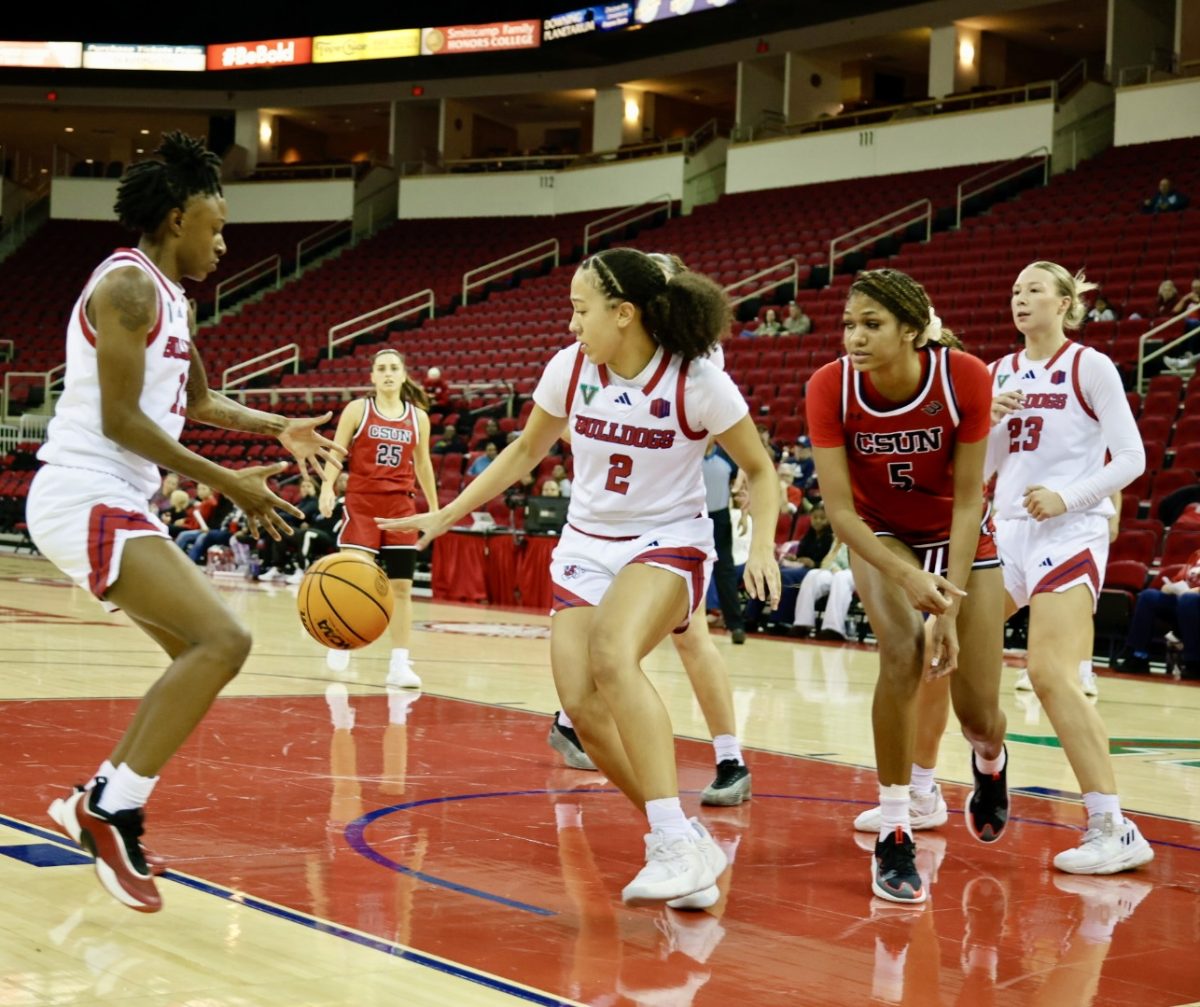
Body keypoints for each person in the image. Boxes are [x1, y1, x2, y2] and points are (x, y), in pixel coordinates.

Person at [380, 247, 781, 907]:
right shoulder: (570, 369)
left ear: (624, 314)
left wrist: (761, 545)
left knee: (612, 654)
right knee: (583, 713)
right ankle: (678, 835)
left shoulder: (697, 380)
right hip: (586, 545)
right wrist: (447, 513)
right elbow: (526, 449)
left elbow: (761, 470)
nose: (571, 324)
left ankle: (675, 844)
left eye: (581, 309)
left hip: (667, 540)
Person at [32, 131, 344, 913]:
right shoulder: (129, 287)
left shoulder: (174, 299)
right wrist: (227, 483)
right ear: (176, 219)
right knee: (224, 639)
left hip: (119, 496)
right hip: (85, 488)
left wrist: (277, 428)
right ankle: (112, 808)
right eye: (216, 224)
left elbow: (198, 403)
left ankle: (96, 801)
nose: (224, 240)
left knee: (196, 657)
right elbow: (118, 420)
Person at [807, 268, 1010, 904]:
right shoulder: (829, 387)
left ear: (912, 331)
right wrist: (906, 576)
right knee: (901, 651)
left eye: (872, 325)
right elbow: (840, 514)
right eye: (849, 324)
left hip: (960, 536)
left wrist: (946, 603)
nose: (855, 338)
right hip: (880, 534)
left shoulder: (965, 377)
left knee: (979, 714)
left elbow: (968, 499)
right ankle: (897, 827)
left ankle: (990, 762)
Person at [988, 262, 1152, 874]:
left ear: (1065, 304)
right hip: (1007, 534)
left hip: (1069, 529)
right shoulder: (998, 372)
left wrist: (1069, 496)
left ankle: (1113, 824)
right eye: (1014, 290)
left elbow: (1131, 457)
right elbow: (983, 472)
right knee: (932, 650)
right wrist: (988, 423)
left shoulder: (1090, 366)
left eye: (1033, 289)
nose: (1020, 298)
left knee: (1051, 673)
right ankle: (918, 796)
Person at [318, 348, 437, 687]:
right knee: (354, 578)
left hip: (401, 507)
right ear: (372, 376)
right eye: (381, 368)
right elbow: (337, 452)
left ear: (403, 375)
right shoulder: (358, 409)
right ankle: (342, 637)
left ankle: (399, 664)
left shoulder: (418, 418)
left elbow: (424, 464)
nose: (387, 373)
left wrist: (434, 508)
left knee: (401, 587)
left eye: (393, 368)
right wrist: (327, 486)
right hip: (362, 504)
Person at [1116, 547, 1200, 680]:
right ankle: (1139, 656)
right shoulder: (1197, 554)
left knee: (1188, 600)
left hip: (1192, 602)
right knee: (1148, 596)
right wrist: (1170, 587)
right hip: (1185, 602)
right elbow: (1176, 581)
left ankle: (1194, 662)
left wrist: (1194, 592)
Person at [702, 438, 746, 644]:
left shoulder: (727, 456)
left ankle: (735, 625)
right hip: (690, 517)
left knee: (725, 570)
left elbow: (744, 488)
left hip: (720, 518)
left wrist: (745, 515)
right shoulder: (689, 452)